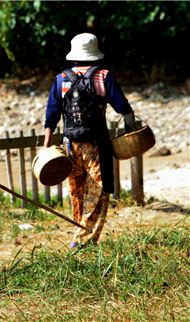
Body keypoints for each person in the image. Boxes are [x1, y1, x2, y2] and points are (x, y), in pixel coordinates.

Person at [43, 33, 136, 248]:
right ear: (94, 55)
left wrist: (47, 146)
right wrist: (130, 130)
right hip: (95, 143)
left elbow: (51, 116)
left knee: (77, 189)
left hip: (70, 144)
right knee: (98, 189)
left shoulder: (61, 79)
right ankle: (82, 240)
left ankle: (79, 230)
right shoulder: (103, 76)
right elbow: (122, 107)